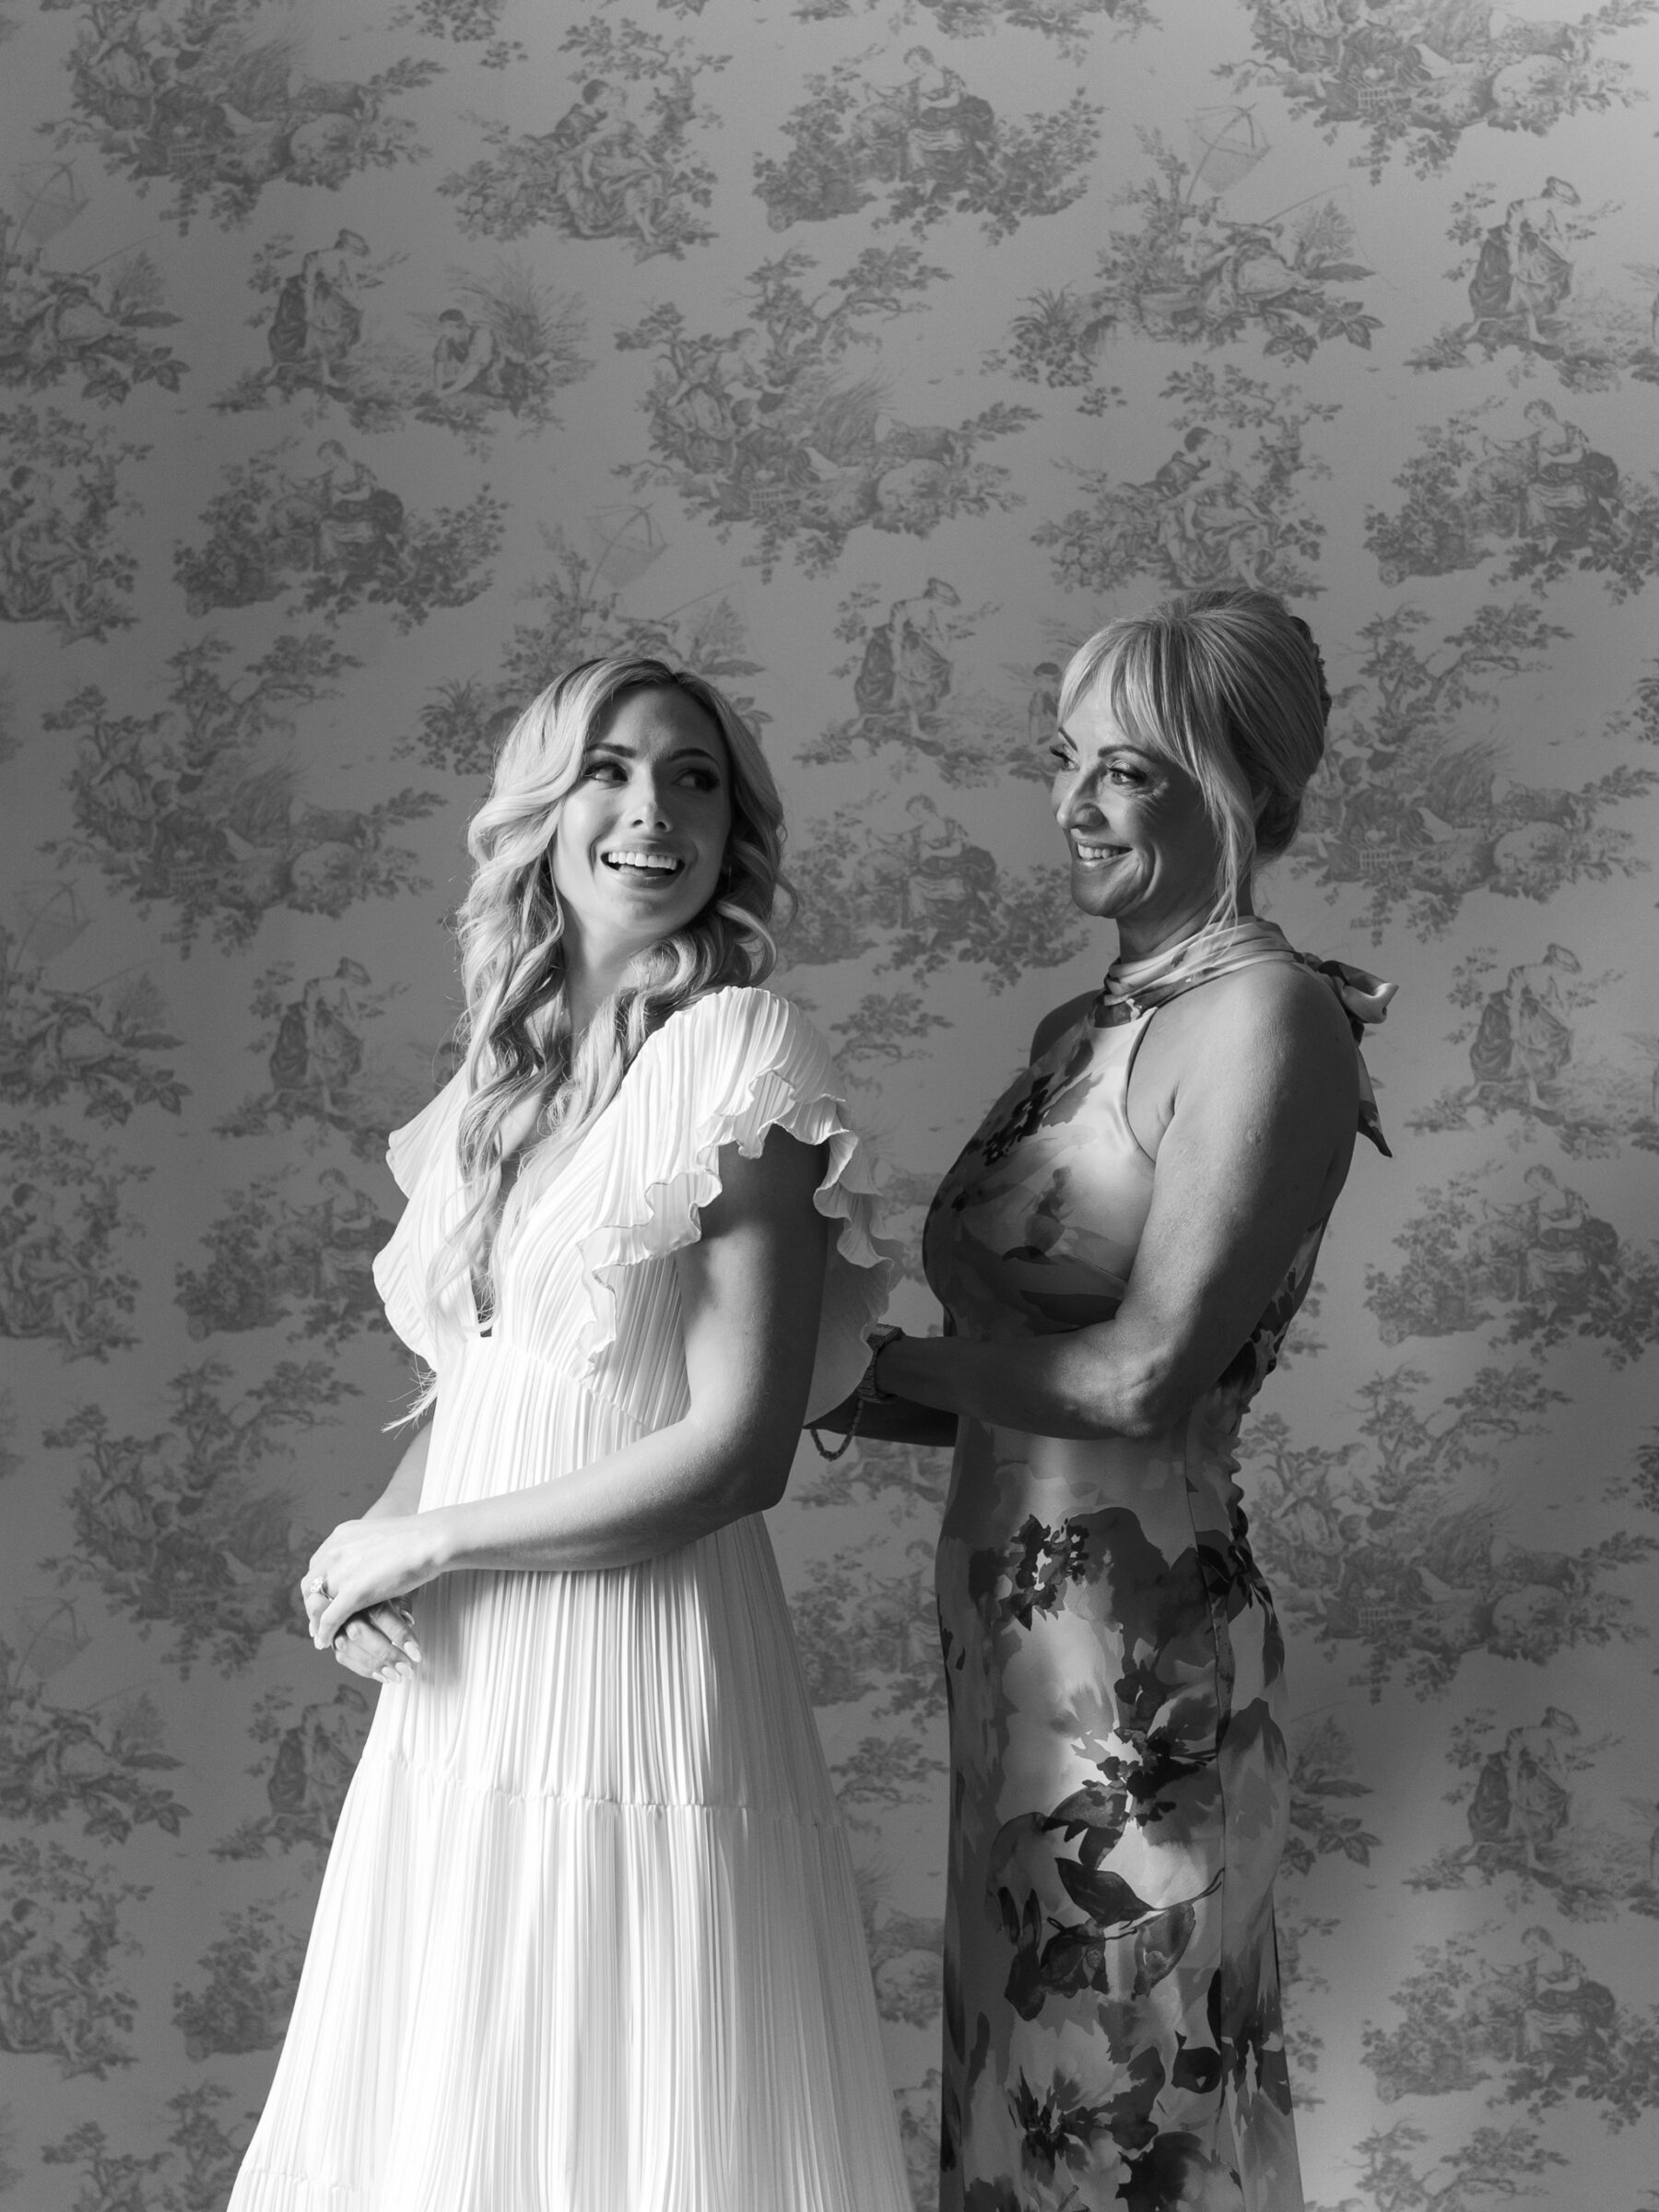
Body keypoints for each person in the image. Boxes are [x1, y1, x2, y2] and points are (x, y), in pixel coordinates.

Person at [228, 657, 912, 2209]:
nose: (650, 811)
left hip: (641, 1668)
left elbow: (735, 1454)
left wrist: (435, 1538)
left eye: (693, 779)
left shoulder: (746, 1054)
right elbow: (489, 1391)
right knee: (450, 2109)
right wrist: (371, 1562)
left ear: (732, 829)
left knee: (642, 2109)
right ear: (545, 805)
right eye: (610, 770)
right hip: (474, 1691)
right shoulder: (500, 1080)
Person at [816, 589, 1393, 2208]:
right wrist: (799, 1379)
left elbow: (1142, 1377)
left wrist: (853, 1370)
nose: (1075, 803)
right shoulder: (1083, 1025)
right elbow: (1012, 1383)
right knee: (1022, 2111)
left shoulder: (1268, 1017)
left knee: (1135, 2118)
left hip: (1145, 1672)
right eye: (1065, 757)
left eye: (1129, 770)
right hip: (1008, 1640)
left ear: (1241, 785)